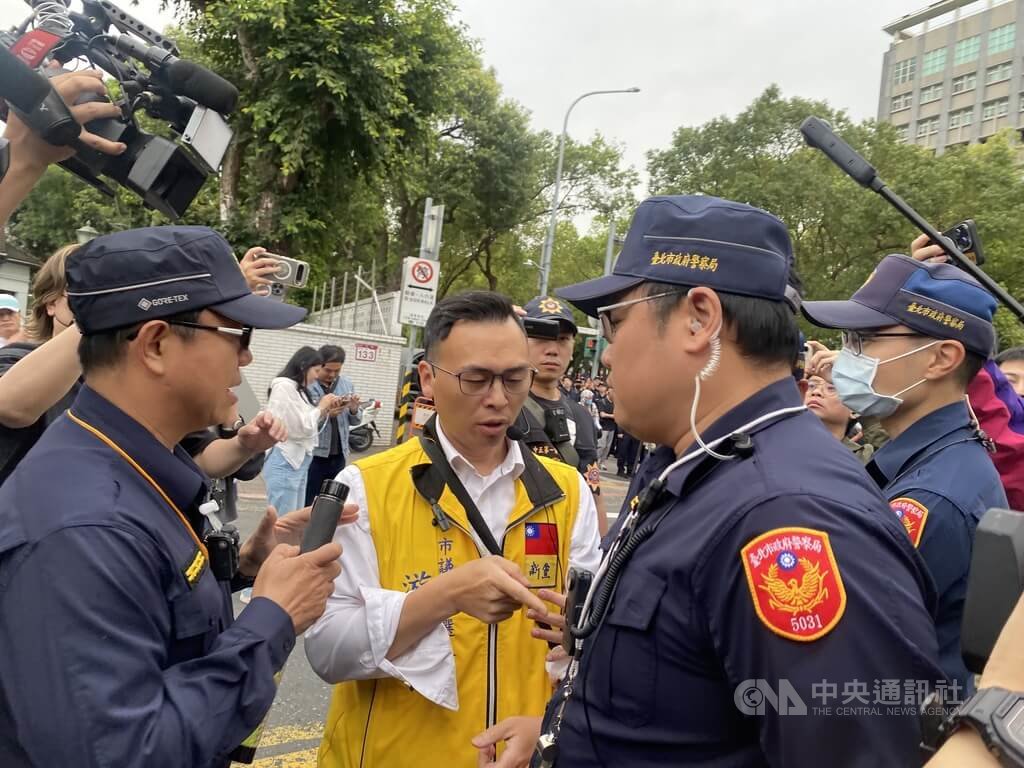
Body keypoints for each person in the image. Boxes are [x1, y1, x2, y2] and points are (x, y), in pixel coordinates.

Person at [475, 195, 945, 767]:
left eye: (614, 322)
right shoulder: (693, 466)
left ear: (699, 319)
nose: (607, 355)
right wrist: (561, 732)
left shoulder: (788, 515)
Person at [0, 225, 351, 767]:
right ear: (156, 344)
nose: (246, 359)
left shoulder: (130, 468)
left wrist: (241, 569)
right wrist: (272, 618)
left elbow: (150, 611)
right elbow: (123, 753)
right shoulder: (85, 527)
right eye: (237, 334)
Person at [305, 291, 601, 768]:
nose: (498, 399)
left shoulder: (566, 491)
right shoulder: (365, 487)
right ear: (428, 377)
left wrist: (551, 717)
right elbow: (327, 650)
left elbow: (585, 651)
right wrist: (444, 596)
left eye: (514, 378)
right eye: (475, 379)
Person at [803, 252, 1007, 692]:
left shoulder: (930, 500)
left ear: (941, 359)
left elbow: (847, 649)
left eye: (865, 339)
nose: (847, 355)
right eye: (848, 339)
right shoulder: (930, 461)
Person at [0, 243, 286, 486]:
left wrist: (242, 445)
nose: (245, 357)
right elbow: (11, 405)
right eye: (83, 295)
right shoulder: (16, 361)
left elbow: (199, 455)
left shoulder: (130, 373)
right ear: (50, 303)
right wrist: (119, 308)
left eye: (109, 293)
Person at [519, 297, 608, 535]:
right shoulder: (501, 407)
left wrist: (601, 551)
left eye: (562, 339)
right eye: (541, 338)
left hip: (567, 542)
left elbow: (594, 495)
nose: (552, 349)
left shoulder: (582, 416)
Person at [262, 346, 343, 514]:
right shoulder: (284, 386)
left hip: (298, 459)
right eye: (316, 370)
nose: (317, 376)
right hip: (286, 459)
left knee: (294, 517)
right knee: (284, 519)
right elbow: (302, 427)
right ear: (303, 366)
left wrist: (325, 410)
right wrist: (322, 407)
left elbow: (306, 423)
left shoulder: (298, 389)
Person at [305, 344, 361, 506]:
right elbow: (305, 424)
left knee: (332, 501)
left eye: (337, 371)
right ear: (319, 365)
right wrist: (327, 414)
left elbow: (355, 421)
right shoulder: (309, 386)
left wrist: (354, 409)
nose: (332, 375)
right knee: (309, 500)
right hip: (314, 455)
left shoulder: (346, 384)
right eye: (328, 370)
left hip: (339, 454)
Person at [593, 383, 616, 468]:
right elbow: (602, 414)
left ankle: (602, 462)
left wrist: (610, 415)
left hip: (612, 427)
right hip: (604, 427)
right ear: (608, 392)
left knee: (608, 447)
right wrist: (613, 416)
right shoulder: (602, 402)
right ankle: (595, 461)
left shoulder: (615, 403)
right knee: (601, 445)